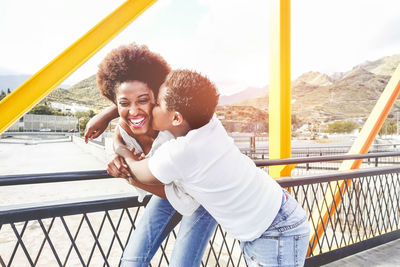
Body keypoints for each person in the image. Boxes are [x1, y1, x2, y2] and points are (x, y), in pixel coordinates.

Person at [116, 69, 310, 267]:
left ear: (176, 118)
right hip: (274, 218)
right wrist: (112, 113)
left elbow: (137, 170)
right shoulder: (209, 122)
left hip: (276, 232)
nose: (150, 107)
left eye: (156, 103)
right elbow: (189, 92)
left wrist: (120, 148)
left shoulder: (179, 153)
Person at [86, 44, 217, 267]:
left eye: (143, 100)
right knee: (131, 262)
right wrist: (112, 124)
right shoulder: (123, 131)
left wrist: (128, 171)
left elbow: (185, 198)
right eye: (124, 103)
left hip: (201, 195)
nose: (134, 111)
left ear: (157, 97)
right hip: (167, 192)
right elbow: (125, 114)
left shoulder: (175, 128)